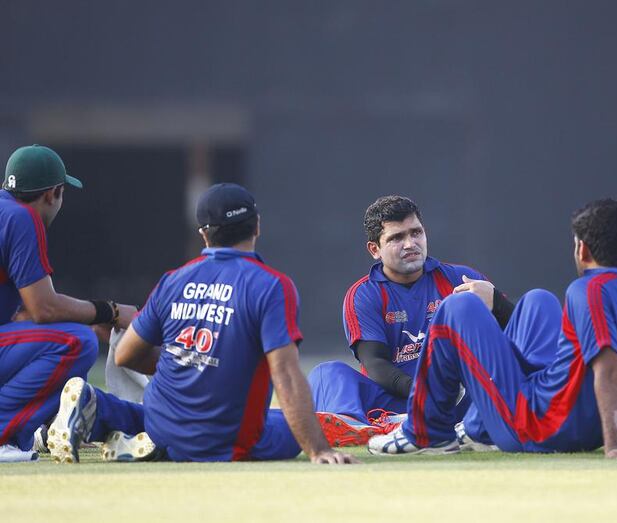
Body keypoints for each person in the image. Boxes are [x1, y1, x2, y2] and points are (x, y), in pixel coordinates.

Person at [368, 199, 617, 457]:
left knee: (458, 309)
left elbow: (610, 367)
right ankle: (476, 426)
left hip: (536, 427)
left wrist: (615, 447)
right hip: (576, 425)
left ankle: (427, 432)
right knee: (539, 302)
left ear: (581, 249)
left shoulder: (588, 290)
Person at [47, 183, 356, 464]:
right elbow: (286, 375)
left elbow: (124, 355)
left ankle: (104, 411)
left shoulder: (173, 280)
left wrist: (192, 363)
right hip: (222, 441)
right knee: (289, 427)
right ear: (257, 226)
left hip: (160, 423)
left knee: (165, 414)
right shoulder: (272, 285)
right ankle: (144, 444)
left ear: (204, 235)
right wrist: (317, 449)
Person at [308, 196, 520, 446]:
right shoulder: (363, 294)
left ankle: (429, 425)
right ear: (374, 249)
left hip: (458, 398)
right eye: (397, 238)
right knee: (326, 373)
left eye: (416, 232)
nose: (410, 244)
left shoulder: (462, 278)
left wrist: (497, 301)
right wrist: (426, 392)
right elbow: (375, 363)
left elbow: (517, 334)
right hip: (395, 400)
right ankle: (369, 426)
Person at [0, 145, 137, 462]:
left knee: (68, 334)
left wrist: (86, 315)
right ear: (52, 193)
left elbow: (26, 313)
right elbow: (43, 308)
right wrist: (111, 312)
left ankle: (37, 431)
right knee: (76, 342)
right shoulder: (21, 217)